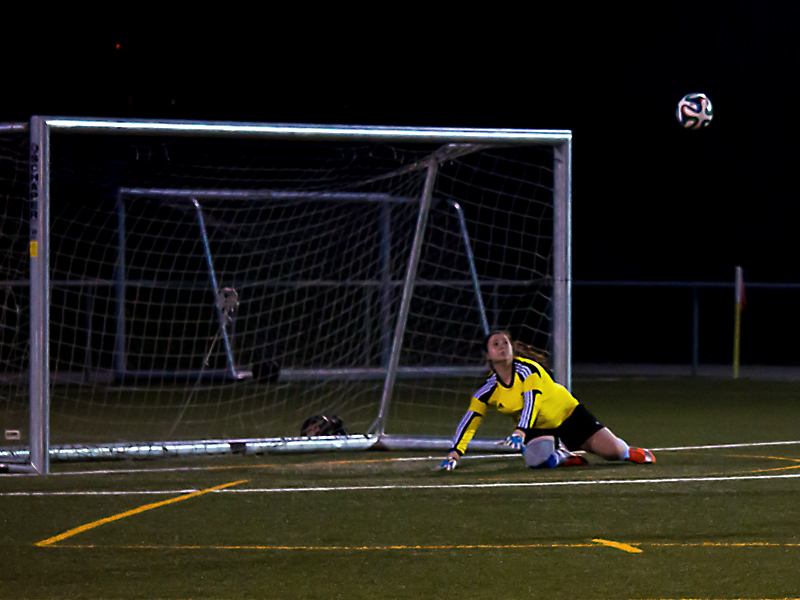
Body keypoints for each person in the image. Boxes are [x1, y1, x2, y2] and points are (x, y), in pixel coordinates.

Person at [438, 330, 655, 471]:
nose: (503, 346)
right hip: (536, 426)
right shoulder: (487, 389)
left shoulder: (527, 369)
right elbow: (471, 419)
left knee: (612, 453)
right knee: (538, 462)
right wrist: (455, 452)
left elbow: (532, 400)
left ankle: (629, 451)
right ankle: (562, 455)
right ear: (487, 355)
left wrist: (520, 431)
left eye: (505, 342)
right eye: (496, 344)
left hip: (567, 414)